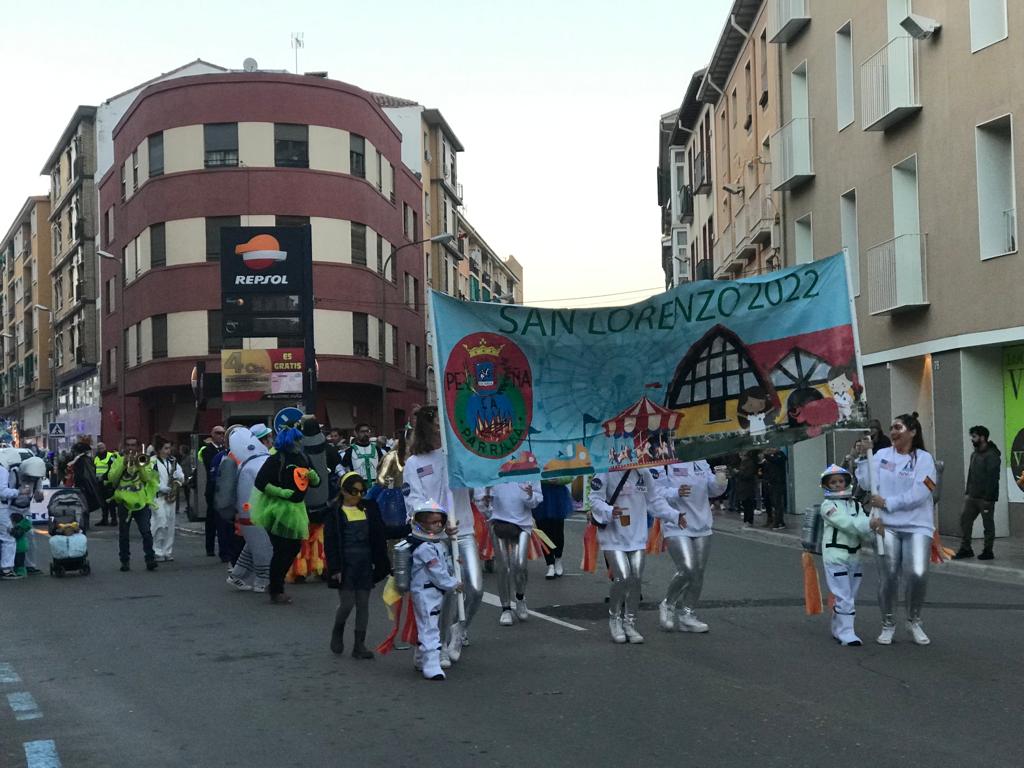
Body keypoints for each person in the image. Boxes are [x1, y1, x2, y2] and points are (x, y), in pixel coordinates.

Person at [402, 405, 482, 665]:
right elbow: (413, 500)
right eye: (435, 422)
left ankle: (460, 630)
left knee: (475, 588)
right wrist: (437, 520)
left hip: (463, 529)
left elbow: (479, 478)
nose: (440, 426)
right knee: (446, 590)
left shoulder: (457, 455)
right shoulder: (414, 463)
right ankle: (441, 642)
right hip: (433, 536)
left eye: (443, 421)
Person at [854, 412, 937, 646]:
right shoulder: (881, 455)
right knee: (889, 576)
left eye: (898, 427)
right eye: (891, 427)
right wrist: (864, 458)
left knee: (918, 573)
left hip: (917, 525)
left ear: (912, 432)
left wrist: (890, 503)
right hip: (885, 526)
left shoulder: (924, 459)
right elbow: (868, 484)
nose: (893, 432)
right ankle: (888, 623)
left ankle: (914, 620)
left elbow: (923, 491)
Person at [589, 468, 677, 644]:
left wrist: (674, 515)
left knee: (636, 579)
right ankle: (615, 620)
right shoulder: (604, 471)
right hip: (613, 536)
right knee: (622, 578)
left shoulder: (644, 473)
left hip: (637, 535)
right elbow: (594, 499)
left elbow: (654, 501)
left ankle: (630, 623)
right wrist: (609, 509)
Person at [324, 472, 393, 659]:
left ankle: (359, 645)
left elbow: (382, 532)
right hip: (346, 564)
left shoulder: (369, 508)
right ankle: (338, 630)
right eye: (354, 492)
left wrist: (412, 527)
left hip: (365, 562)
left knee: (363, 604)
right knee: (347, 604)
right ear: (343, 491)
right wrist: (335, 569)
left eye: (362, 492)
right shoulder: (334, 512)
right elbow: (330, 543)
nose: (358, 496)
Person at [655, 461, 728, 633]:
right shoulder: (664, 462)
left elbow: (713, 489)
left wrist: (721, 479)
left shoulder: (701, 461)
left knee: (698, 572)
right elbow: (656, 492)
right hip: (677, 523)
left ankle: (688, 614)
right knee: (687, 568)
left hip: (702, 524)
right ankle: (668, 604)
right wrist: (676, 492)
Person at [251, 426, 319, 604]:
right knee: (281, 550)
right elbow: (260, 482)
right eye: (296, 440)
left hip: (296, 509)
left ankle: (275, 583)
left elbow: (316, 482)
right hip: (276, 509)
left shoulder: (303, 457)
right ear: (289, 441)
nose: (299, 443)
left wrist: (313, 477)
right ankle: (276, 589)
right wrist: (281, 493)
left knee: (293, 548)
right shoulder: (276, 459)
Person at [818, 464, 879, 646]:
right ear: (827, 485)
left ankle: (838, 628)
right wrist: (869, 524)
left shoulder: (856, 505)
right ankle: (847, 633)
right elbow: (846, 523)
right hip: (835, 556)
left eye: (841, 481)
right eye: (833, 482)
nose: (838, 485)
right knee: (844, 596)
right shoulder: (828, 506)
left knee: (849, 595)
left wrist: (875, 528)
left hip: (855, 557)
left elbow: (863, 529)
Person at [406, 499, 461, 680]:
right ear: (421, 523)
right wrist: (453, 583)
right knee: (429, 627)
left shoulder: (437, 543)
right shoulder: (424, 548)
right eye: (433, 522)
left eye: (440, 522)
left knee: (429, 626)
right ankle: (432, 664)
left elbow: (444, 566)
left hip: (434, 592)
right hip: (425, 593)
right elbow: (437, 572)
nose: (438, 525)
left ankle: (421, 658)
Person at [475, 480, 542, 625]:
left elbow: (536, 499)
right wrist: (485, 503)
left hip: (523, 523)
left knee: (519, 564)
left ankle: (520, 598)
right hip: (498, 522)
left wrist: (529, 495)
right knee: (503, 566)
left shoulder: (529, 467)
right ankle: (505, 608)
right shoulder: (492, 467)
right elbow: (480, 499)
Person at [227, 426, 273, 592]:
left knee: (252, 546)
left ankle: (237, 575)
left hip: (249, 513)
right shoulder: (257, 464)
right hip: (256, 514)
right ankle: (262, 580)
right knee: (262, 548)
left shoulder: (246, 465)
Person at [108, 445, 160, 572]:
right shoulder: (118, 461)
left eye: (133, 446)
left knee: (146, 532)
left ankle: (150, 559)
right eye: (128, 446)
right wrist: (123, 465)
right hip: (124, 502)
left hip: (141, 502)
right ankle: (124, 561)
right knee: (124, 534)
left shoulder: (143, 460)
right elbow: (112, 479)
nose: (131, 449)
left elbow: (147, 478)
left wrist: (140, 466)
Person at [954, 425, 1001, 561]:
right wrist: (968, 492)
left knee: (988, 524)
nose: (972, 439)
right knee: (965, 520)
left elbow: (993, 478)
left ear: (982, 437)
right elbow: (970, 474)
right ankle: (966, 548)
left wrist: (988, 497)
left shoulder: (992, 455)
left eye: (974, 436)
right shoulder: (974, 454)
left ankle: (988, 550)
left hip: (986, 498)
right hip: (972, 496)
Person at [152, 435, 185, 562]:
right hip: (158, 497)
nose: (168, 451)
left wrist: (179, 478)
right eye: (165, 448)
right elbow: (149, 480)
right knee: (160, 522)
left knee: (170, 524)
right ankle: (157, 550)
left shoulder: (173, 461)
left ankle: (167, 551)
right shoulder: (152, 462)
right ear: (159, 449)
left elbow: (181, 477)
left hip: (171, 497)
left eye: (169, 448)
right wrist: (160, 487)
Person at [198, 426, 229, 560]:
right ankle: (209, 547)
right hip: (212, 489)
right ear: (212, 434)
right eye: (218, 433)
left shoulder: (225, 450)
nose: (221, 435)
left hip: (224, 489)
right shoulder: (207, 450)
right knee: (211, 519)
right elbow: (211, 464)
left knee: (223, 520)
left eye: (223, 433)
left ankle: (224, 549)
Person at [533, 479, 573, 579]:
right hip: (540, 493)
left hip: (557, 495)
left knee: (558, 531)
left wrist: (558, 480)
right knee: (543, 531)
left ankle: (558, 558)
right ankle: (550, 564)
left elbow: (569, 475)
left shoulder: (561, 462)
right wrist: (545, 479)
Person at [66, 439, 102, 533]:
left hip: (83, 487)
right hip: (82, 486)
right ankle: (83, 524)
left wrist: (81, 485)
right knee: (83, 506)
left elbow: (85, 476)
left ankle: (84, 525)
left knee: (83, 506)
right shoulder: (82, 459)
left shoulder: (82, 460)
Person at [0, 451, 23, 579]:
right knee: (9, 538)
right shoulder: (2, 470)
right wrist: (17, 492)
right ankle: (7, 569)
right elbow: (2, 491)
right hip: (1, 508)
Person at [760, 448, 788, 529]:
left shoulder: (780, 455)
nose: (771, 449)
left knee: (777, 503)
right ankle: (771, 519)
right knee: (768, 502)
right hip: (769, 482)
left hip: (778, 483)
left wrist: (766, 455)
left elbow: (775, 461)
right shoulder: (768, 459)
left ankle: (778, 522)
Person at [93, 442, 120, 526]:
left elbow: (113, 468)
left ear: (105, 447)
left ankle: (114, 520)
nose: (100, 449)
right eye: (98, 447)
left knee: (111, 502)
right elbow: (94, 469)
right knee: (102, 503)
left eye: (101, 447)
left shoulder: (110, 456)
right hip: (99, 483)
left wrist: (104, 477)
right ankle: (104, 519)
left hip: (108, 483)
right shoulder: (96, 458)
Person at [734, 450, 759, 527]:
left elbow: (748, 475)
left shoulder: (750, 463)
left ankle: (749, 520)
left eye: (742, 454)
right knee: (745, 504)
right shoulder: (742, 463)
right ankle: (746, 520)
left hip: (748, 487)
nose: (741, 456)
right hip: (742, 486)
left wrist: (738, 473)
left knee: (749, 504)